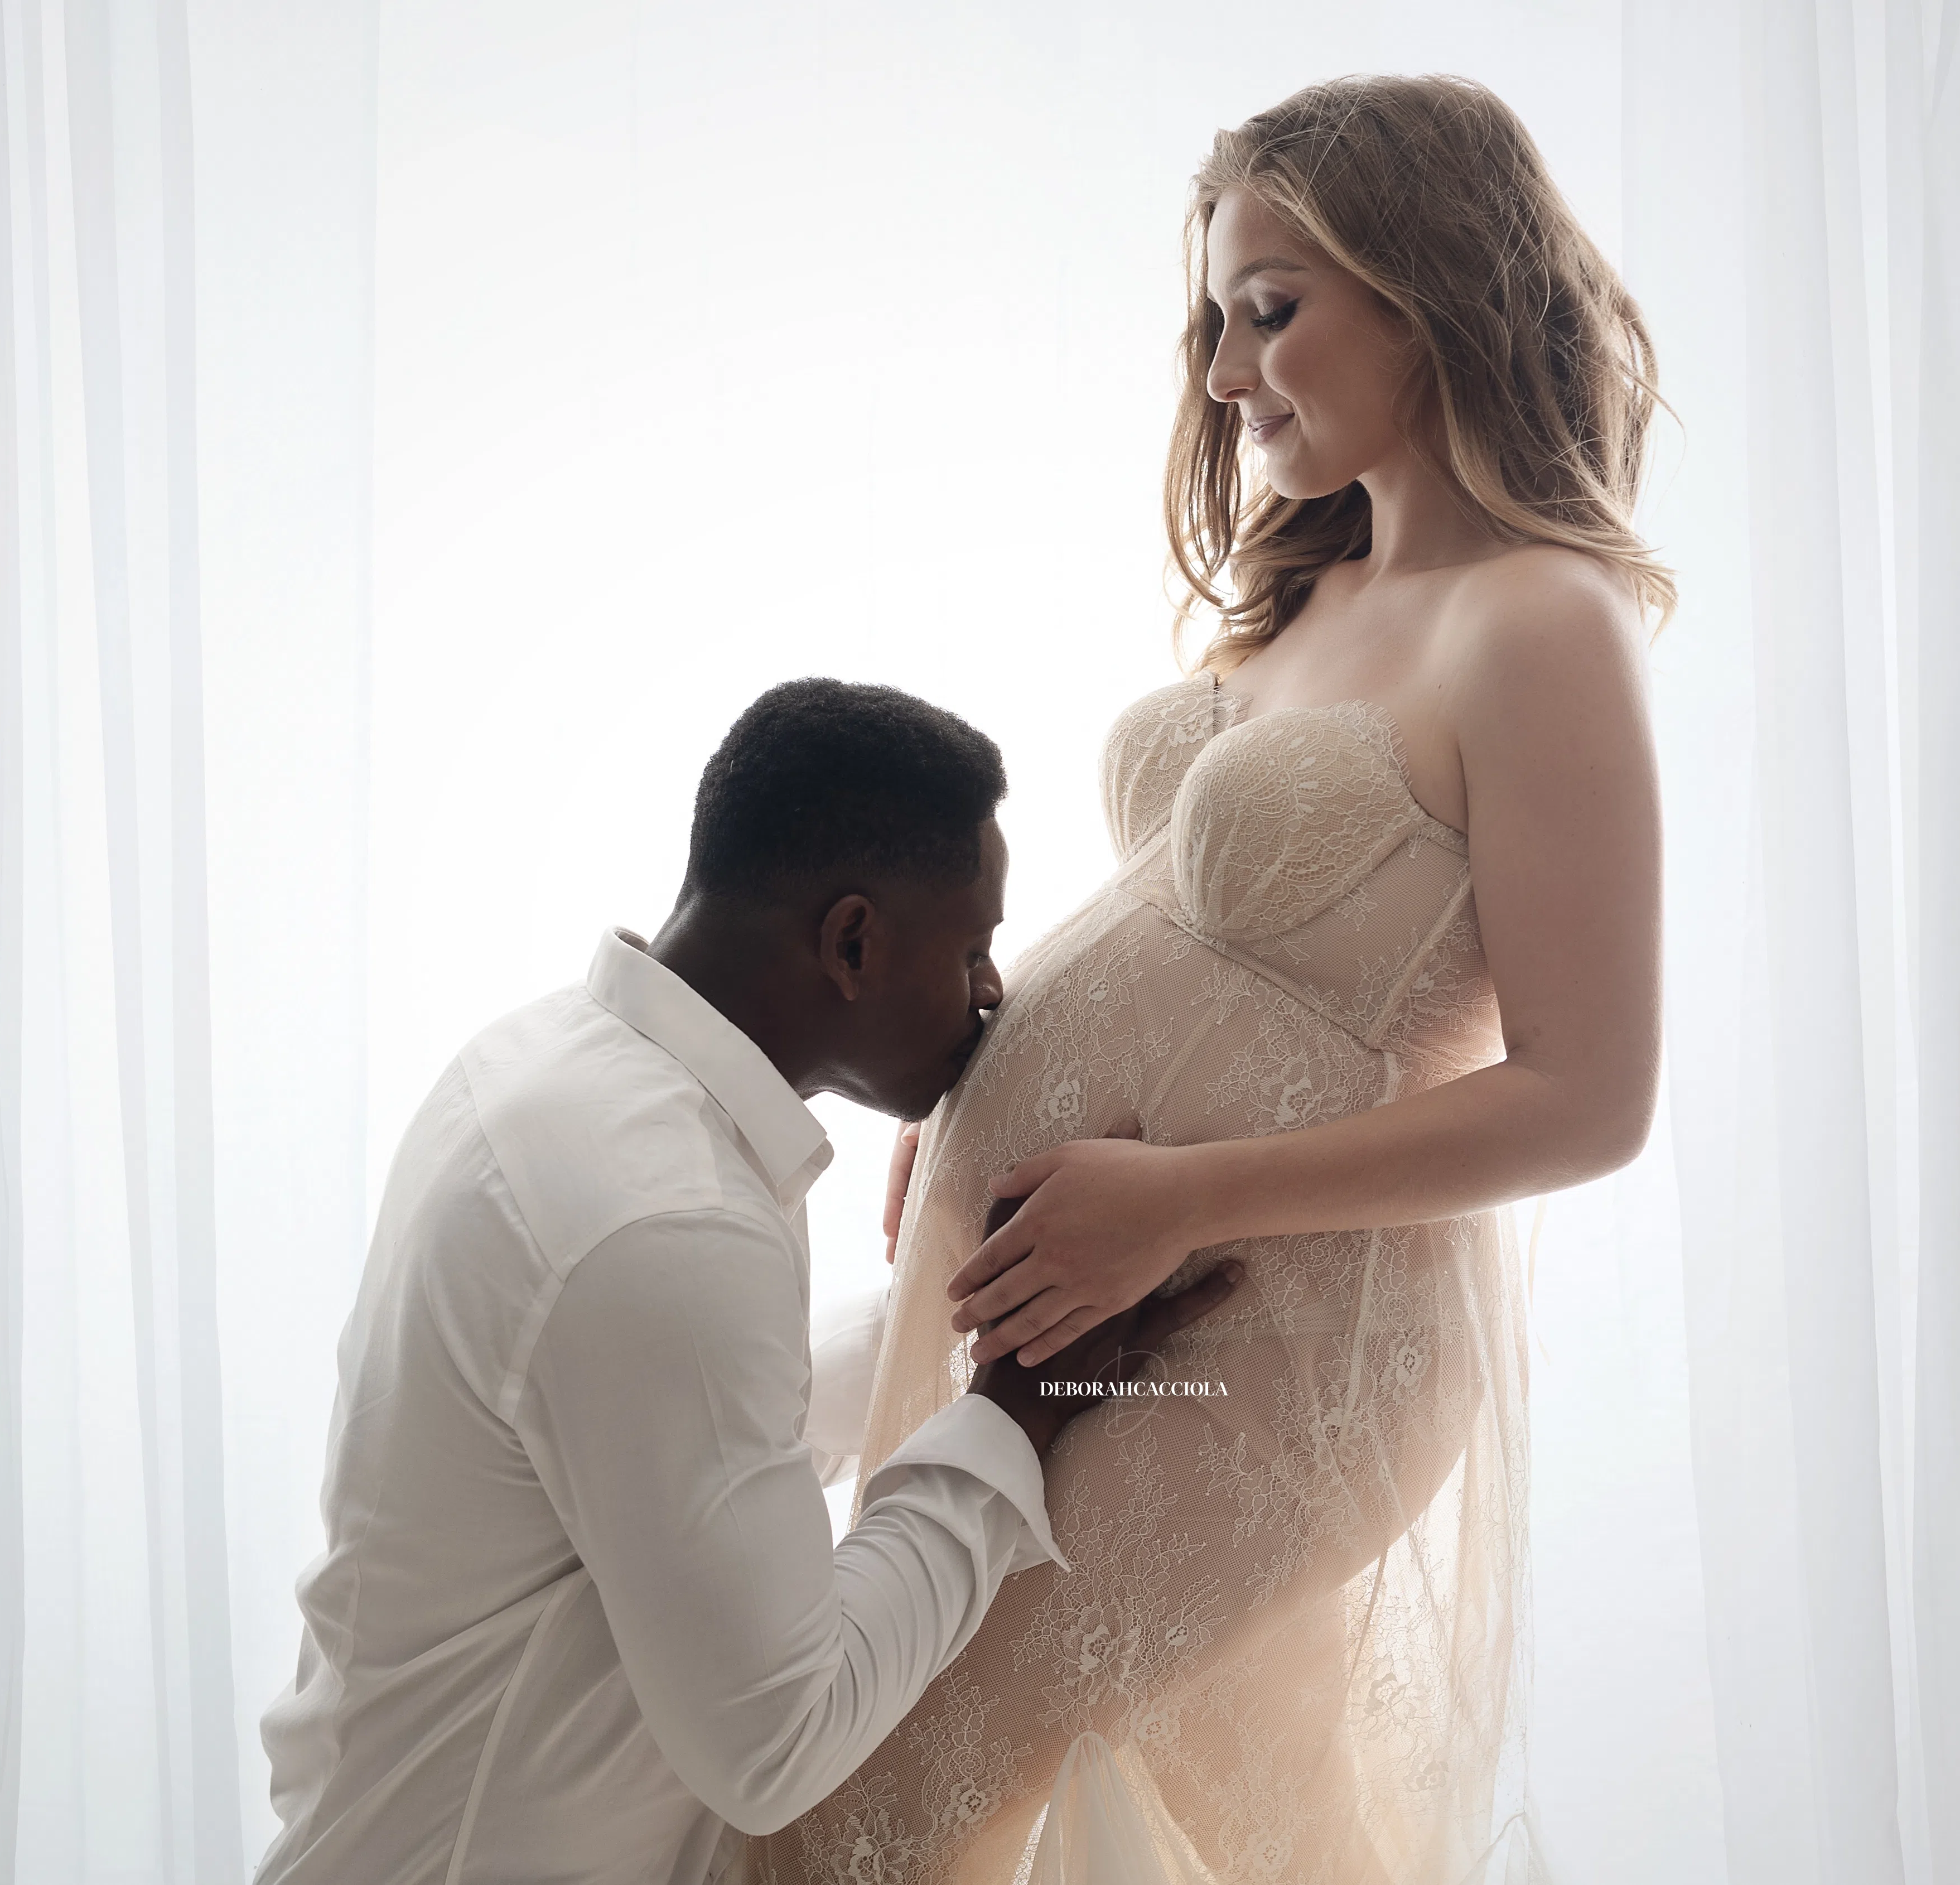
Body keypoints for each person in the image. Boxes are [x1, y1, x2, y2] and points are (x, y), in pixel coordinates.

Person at [750, 76, 1667, 1884]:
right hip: (1098, 1291)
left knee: (871, 1798)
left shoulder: (1535, 621)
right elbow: (1188, 938)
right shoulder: (1308, 588)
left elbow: (1591, 1093)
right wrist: (975, 1082)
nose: (1226, 374)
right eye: (1211, 321)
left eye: (1269, 309)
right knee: (1225, 1815)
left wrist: (1173, 1197)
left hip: (1269, 1323)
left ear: (1430, 287)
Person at [254, 679, 1241, 1885]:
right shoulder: (663, 1218)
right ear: (852, 942)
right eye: (974, 945)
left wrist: (970, 1303)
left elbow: (684, 1433)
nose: (993, 991)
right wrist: (1009, 1421)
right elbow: (776, 1738)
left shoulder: (542, 1070)